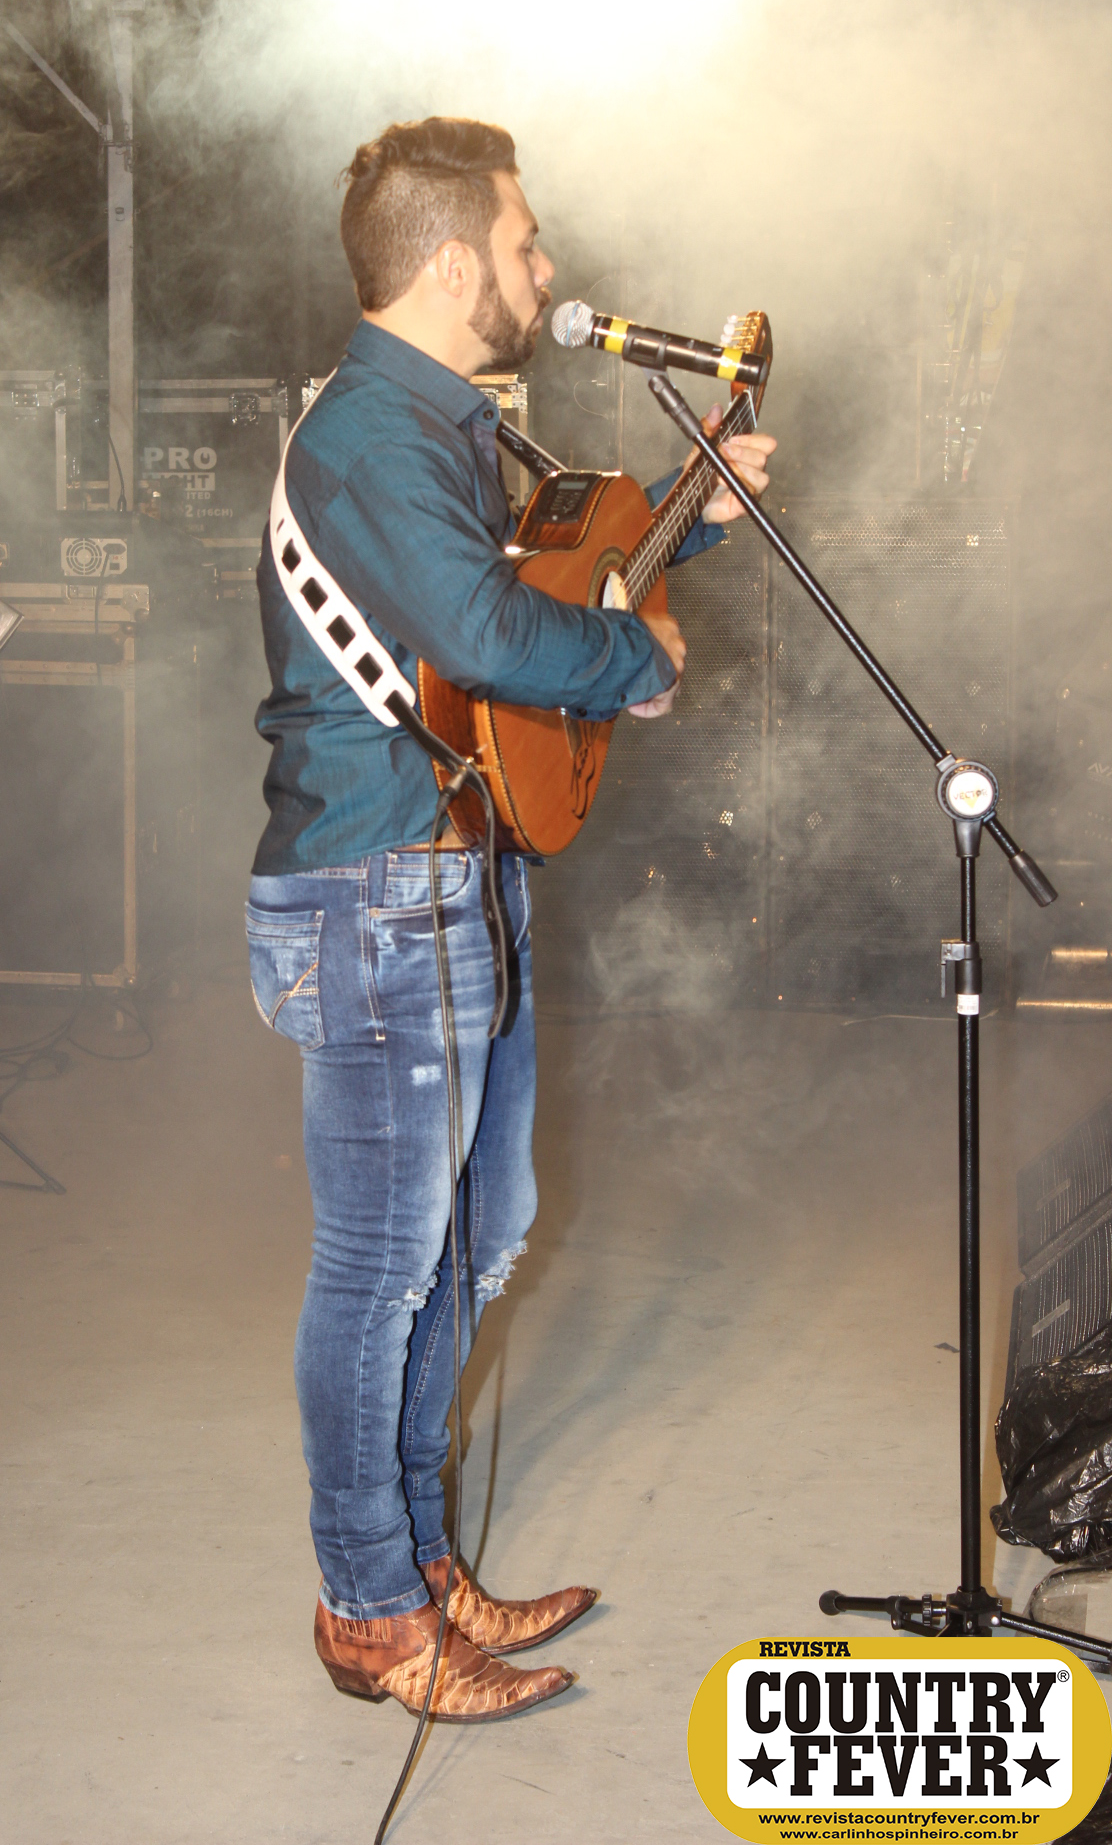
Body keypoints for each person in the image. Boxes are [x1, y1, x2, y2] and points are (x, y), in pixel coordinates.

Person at [248, 117, 775, 1722]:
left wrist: (681, 524)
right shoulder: (370, 435)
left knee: (474, 1246)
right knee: (384, 1267)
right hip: (378, 892)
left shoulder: (443, 427)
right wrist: (640, 660)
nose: (547, 273)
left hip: (452, 875)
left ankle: (416, 1564)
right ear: (450, 262)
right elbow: (486, 638)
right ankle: (368, 1611)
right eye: (525, 244)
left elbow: (524, 593)